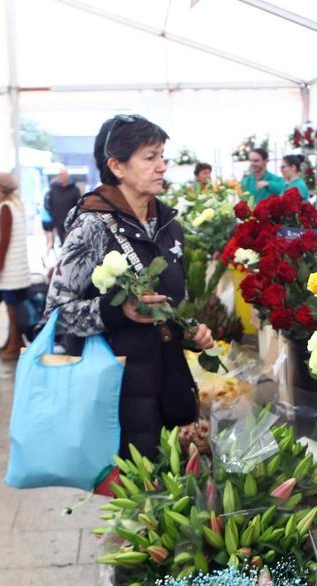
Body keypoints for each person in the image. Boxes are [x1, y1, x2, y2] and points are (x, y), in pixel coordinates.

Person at [43, 114, 214, 460]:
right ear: (117, 167)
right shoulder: (92, 226)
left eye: (163, 156)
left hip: (168, 388)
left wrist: (188, 332)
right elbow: (55, 315)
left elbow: (166, 303)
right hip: (116, 395)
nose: (162, 167)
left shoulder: (167, 224)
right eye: (150, 158)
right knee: (138, 493)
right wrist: (116, 311)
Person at [0, 171, 32, 361]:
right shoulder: (15, 206)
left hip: (9, 271)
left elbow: (4, 240)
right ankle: (12, 341)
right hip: (16, 270)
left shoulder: (6, 208)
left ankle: (15, 345)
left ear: (1, 188)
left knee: (12, 309)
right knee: (12, 308)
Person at [43, 167, 82, 250]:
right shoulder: (54, 188)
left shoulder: (74, 189)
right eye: (60, 175)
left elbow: (79, 204)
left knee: (70, 242)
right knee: (62, 242)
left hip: (71, 221)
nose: (61, 176)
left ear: (67, 176)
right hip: (57, 220)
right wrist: (52, 213)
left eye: (63, 174)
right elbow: (48, 203)